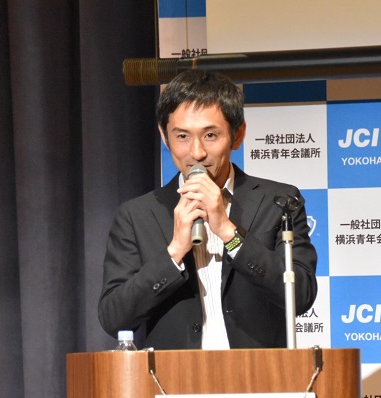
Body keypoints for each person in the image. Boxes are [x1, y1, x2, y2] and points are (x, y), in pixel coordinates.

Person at [98, 70, 317, 349]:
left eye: (210, 135)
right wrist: (174, 253)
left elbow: (301, 295)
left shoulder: (279, 202)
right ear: (164, 137)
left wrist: (229, 233)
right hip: (175, 374)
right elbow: (113, 317)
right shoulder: (136, 215)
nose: (197, 152)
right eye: (182, 136)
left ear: (238, 135)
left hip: (258, 371)